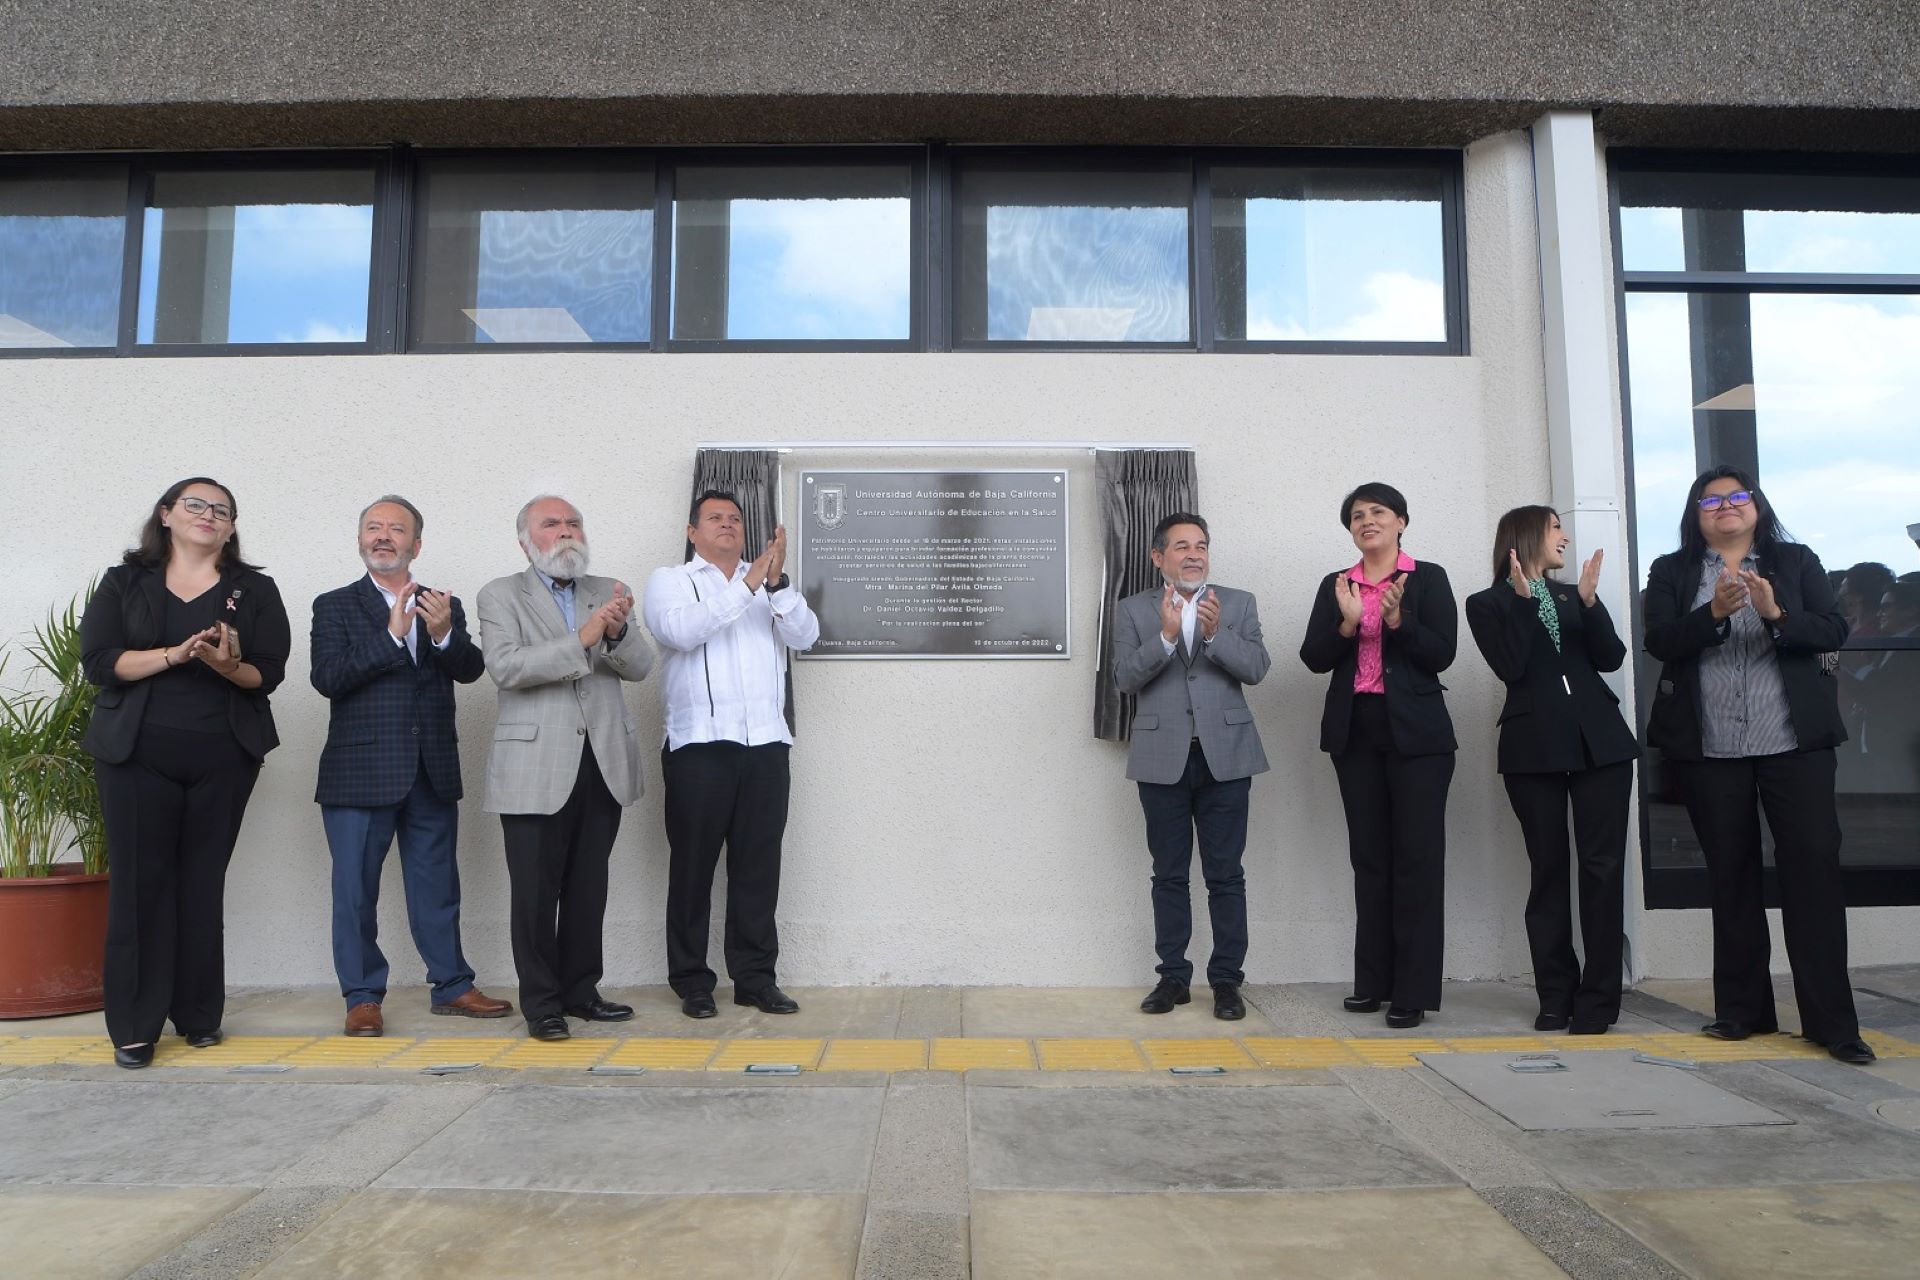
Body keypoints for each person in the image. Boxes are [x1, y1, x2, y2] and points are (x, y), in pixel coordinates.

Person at [1643, 465, 1874, 1065]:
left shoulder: (1796, 562)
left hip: (1794, 744)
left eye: (1737, 497)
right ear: (1695, 515)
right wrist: (1713, 613)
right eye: (1710, 500)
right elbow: (1662, 641)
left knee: (1813, 873)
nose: (1725, 506)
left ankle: (1832, 1022)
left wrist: (1776, 614)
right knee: (1732, 876)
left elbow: (1833, 629)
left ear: (1757, 506)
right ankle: (1743, 1010)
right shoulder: (1671, 571)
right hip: (1711, 747)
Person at [79, 477, 291, 1069]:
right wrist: (174, 655)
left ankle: (199, 1014)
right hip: (135, 754)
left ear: (231, 527)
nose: (209, 515)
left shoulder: (254, 589)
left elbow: (267, 672)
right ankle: (135, 1026)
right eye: (196, 505)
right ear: (167, 515)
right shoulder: (126, 580)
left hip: (223, 754)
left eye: (222, 510)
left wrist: (228, 666)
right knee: (141, 888)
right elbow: (100, 663)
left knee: (202, 883)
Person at [310, 495, 512, 1038]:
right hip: (359, 775)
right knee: (355, 889)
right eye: (373, 528)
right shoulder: (334, 606)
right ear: (360, 540)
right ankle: (361, 996)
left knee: (438, 886)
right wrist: (393, 636)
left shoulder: (442, 602)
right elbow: (328, 678)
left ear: (415, 544)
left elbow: (469, 670)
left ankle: (451, 985)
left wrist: (444, 634)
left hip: (430, 770)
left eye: (396, 530)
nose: (383, 536)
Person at [477, 495, 653, 1042]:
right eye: (550, 524)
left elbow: (642, 667)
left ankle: (582, 991)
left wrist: (618, 633)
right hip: (533, 765)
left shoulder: (610, 590)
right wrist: (584, 638)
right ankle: (543, 1004)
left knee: (587, 887)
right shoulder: (500, 594)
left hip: (602, 760)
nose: (565, 531)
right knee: (534, 892)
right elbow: (506, 668)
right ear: (526, 541)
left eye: (573, 522)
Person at [643, 490, 819, 1019]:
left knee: (758, 868)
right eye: (715, 518)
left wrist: (777, 585)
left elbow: (806, 636)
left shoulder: (768, 583)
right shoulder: (671, 581)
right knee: (693, 868)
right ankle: (693, 982)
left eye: (736, 520)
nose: (728, 526)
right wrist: (746, 586)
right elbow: (680, 631)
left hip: (765, 744)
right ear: (692, 531)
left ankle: (756, 978)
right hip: (699, 745)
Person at [1465, 507, 1637, 1034]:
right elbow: (1511, 667)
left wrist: (1589, 600)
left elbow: (1610, 658)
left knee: (1602, 870)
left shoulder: (1570, 594)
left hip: (1600, 743)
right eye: (1555, 526)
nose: (1565, 536)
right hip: (1532, 746)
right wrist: (1521, 602)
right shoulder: (1485, 603)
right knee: (1547, 873)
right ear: (1527, 535)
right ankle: (1554, 995)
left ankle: (1599, 1000)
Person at [1299, 482, 1457, 1029]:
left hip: (1418, 736)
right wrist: (1347, 621)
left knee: (1416, 860)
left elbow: (1443, 654)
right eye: (1357, 516)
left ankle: (1412, 991)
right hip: (1357, 731)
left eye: (1378, 513)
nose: (1367, 521)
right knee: (1370, 860)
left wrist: (1396, 621)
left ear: (1402, 522)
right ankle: (1374, 982)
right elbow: (1314, 657)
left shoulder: (1427, 578)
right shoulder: (1336, 583)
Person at [1111, 513, 1270, 1020]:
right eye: (1181, 546)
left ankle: (1226, 982)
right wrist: (1163, 638)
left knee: (1226, 876)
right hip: (1163, 758)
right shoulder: (1133, 610)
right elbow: (1124, 679)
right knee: (1168, 875)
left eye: (1201, 544)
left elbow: (1257, 669)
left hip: (1227, 756)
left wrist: (1214, 634)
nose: (1194, 554)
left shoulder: (1237, 603)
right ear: (1159, 557)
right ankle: (1173, 978)